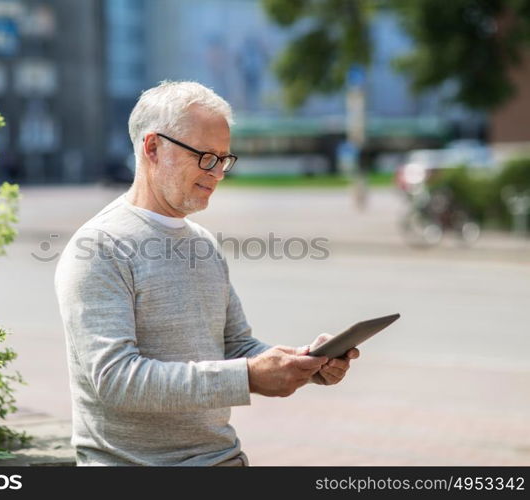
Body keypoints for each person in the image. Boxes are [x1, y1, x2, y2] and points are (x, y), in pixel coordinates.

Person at [54, 81, 359, 466]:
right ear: (153, 147)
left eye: (224, 159)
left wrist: (301, 364)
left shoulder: (202, 243)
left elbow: (236, 347)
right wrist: (248, 376)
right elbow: (117, 381)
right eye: (205, 157)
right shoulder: (99, 248)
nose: (217, 173)